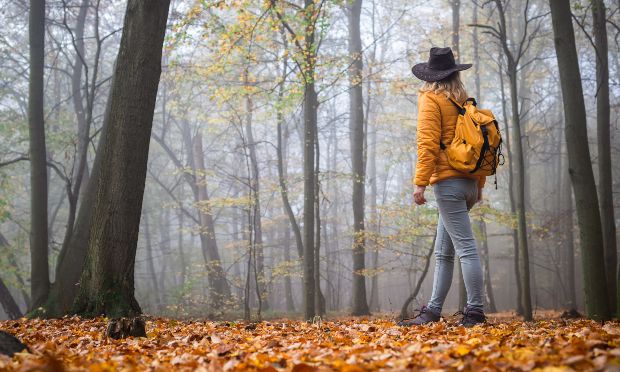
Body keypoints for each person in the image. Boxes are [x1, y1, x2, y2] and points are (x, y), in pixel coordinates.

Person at [399, 47, 486, 327]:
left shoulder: (430, 99)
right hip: (469, 183)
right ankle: (433, 311)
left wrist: (419, 183)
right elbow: (479, 145)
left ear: (430, 76)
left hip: (448, 184)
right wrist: (479, 185)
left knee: (466, 249)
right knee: (444, 252)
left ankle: (475, 311)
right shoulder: (464, 101)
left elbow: (426, 145)